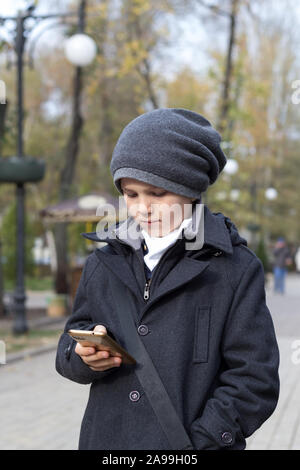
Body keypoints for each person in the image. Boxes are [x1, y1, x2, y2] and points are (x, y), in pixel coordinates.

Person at [55, 108, 280, 450]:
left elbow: (254, 379)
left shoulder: (235, 268)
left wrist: (203, 441)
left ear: (191, 189)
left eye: (157, 194)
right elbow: (66, 350)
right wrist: (83, 356)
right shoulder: (102, 262)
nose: (142, 208)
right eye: (131, 194)